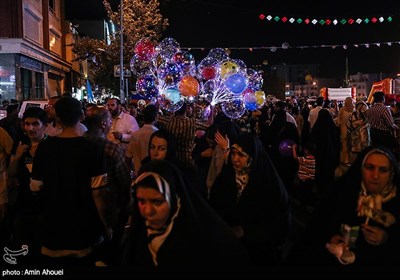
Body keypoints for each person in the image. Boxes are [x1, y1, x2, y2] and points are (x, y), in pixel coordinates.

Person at [120, 159, 250, 274]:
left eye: (157, 202)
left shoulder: (201, 241)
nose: (148, 211)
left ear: (174, 199)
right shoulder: (139, 233)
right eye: (142, 201)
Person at [30, 97, 110, 266]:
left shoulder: (44, 147)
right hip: (84, 230)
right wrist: (106, 224)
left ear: (57, 119)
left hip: (52, 228)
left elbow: (35, 186)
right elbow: (98, 192)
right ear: (81, 116)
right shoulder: (94, 149)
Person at [293, 146, 400, 269]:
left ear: (391, 173)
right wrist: (333, 238)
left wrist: (385, 239)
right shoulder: (341, 193)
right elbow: (318, 227)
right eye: (370, 167)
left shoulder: (396, 202)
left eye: (383, 170)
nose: (375, 176)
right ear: (361, 168)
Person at [208, 133, 291, 265]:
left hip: (258, 254)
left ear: (252, 157)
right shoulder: (226, 177)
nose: (235, 159)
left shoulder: (269, 185)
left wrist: (246, 231)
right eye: (233, 153)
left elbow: (279, 225)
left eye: (241, 155)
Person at [7, 107, 47, 264]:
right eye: (27, 124)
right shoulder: (20, 143)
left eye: (35, 124)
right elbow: (11, 173)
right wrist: (17, 157)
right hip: (24, 202)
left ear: (44, 125)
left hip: (46, 203)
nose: (30, 128)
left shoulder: (51, 145)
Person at [125, 104, 159, 177]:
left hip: (139, 174)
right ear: (156, 117)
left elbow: (128, 157)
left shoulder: (135, 135)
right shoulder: (158, 135)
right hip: (155, 175)